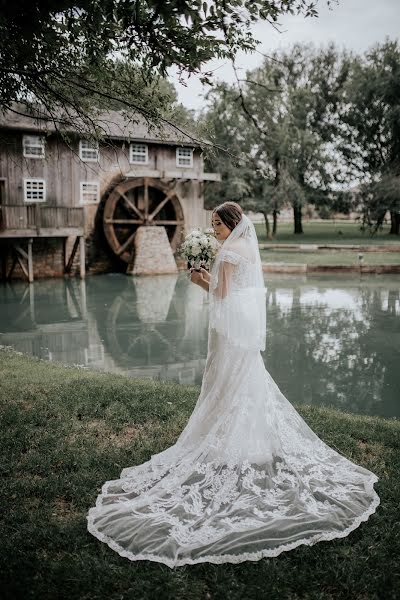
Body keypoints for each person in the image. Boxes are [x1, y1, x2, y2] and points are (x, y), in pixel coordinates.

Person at [86, 201, 380, 568]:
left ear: (231, 223)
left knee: (226, 378)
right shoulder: (246, 248)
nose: (214, 229)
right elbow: (242, 291)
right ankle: (254, 439)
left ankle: (226, 439)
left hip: (228, 323)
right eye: (211, 224)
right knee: (245, 378)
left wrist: (197, 279)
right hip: (242, 323)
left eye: (217, 223)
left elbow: (220, 294)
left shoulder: (227, 251)